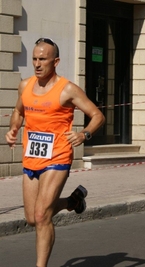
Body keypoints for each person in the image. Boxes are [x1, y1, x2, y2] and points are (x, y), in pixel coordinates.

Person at [5, 37, 105, 267]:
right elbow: (19, 112)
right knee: (31, 218)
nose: (37, 64)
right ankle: (73, 201)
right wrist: (13, 128)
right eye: (34, 59)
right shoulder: (25, 85)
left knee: (42, 215)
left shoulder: (67, 89)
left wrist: (84, 134)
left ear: (56, 61)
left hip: (57, 157)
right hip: (31, 157)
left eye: (43, 59)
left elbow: (97, 115)